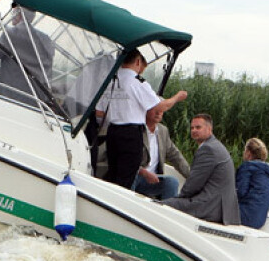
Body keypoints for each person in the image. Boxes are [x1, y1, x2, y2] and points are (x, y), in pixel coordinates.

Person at [96, 49, 187, 189]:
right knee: (126, 179)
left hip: (113, 132)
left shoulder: (112, 81)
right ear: (138, 61)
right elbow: (159, 106)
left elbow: (100, 111)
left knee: (114, 174)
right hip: (131, 135)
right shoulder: (137, 82)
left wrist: (118, 112)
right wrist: (177, 98)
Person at [162, 114, 240, 225]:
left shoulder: (208, 149)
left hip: (210, 207)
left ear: (209, 129)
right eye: (192, 128)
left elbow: (193, 185)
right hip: (222, 208)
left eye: (198, 127)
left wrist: (178, 199)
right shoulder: (216, 145)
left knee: (161, 205)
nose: (194, 130)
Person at [0, 3, 54, 105]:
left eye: (14, 12)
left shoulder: (12, 34)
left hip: (13, 99)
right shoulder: (46, 39)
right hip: (38, 101)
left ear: (19, 14)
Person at [132, 107, 190, 199]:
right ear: (146, 109)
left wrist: (192, 176)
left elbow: (175, 156)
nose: (159, 112)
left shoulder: (163, 131)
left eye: (162, 110)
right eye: (155, 109)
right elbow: (126, 159)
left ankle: (167, 210)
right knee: (132, 176)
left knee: (172, 182)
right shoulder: (134, 128)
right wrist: (144, 173)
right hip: (135, 175)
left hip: (153, 180)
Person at [236, 138, 269, 229]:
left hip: (244, 217)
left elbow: (239, 192)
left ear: (248, 153)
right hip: (259, 220)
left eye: (245, 150)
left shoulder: (247, 168)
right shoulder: (266, 172)